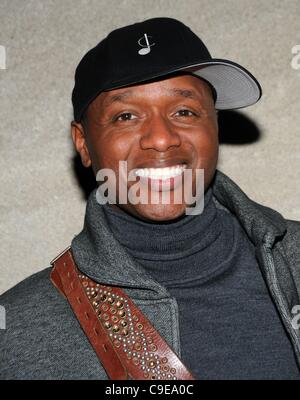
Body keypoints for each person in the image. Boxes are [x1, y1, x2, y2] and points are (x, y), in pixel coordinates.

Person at [1, 17, 300, 380]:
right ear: (83, 143)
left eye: (184, 111)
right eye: (126, 116)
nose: (161, 138)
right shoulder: (16, 330)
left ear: (215, 127)